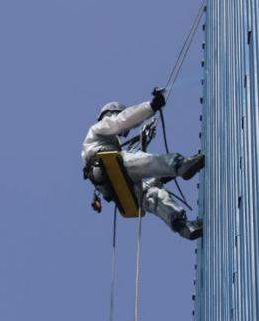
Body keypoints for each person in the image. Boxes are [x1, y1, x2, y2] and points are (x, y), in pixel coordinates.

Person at [81, 90, 205, 240]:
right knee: (146, 160)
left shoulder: (108, 144)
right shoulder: (98, 129)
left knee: (152, 194)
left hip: (113, 185)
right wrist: (151, 107)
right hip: (107, 164)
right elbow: (122, 121)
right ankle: (180, 165)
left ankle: (182, 225)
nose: (123, 134)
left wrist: (162, 177)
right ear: (110, 113)